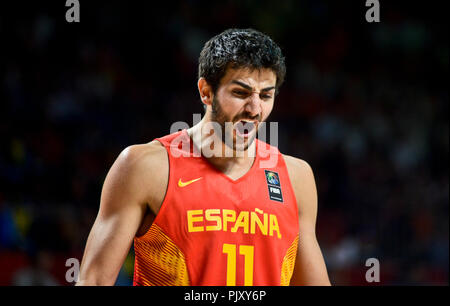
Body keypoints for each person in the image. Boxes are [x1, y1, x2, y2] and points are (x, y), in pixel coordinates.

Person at [76, 28, 331, 286]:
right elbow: (94, 281)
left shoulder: (296, 177)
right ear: (206, 91)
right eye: (241, 93)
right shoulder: (144, 167)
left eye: (266, 95)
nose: (255, 109)